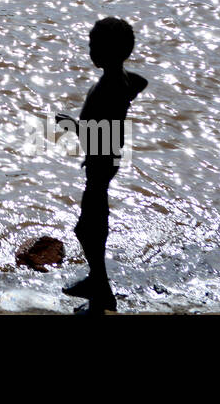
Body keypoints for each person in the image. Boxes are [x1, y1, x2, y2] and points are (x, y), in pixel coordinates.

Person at [55, 16, 147, 313]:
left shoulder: (109, 86)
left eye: (94, 46)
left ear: (108, 52)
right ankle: (97, 281)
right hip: (107, 160)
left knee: (87, 228)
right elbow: (140, 82)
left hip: (101, 160)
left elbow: (96, 132)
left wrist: (70, 125)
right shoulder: (120, 79)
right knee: (92, 223)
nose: (90, 50)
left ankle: (101, 293)